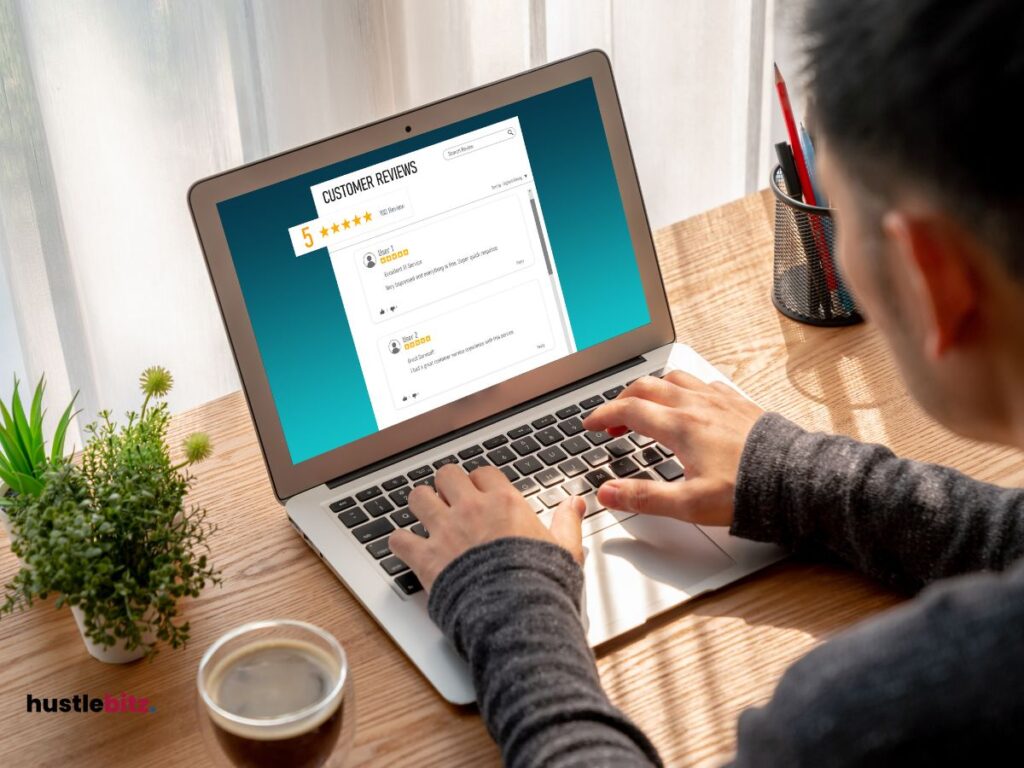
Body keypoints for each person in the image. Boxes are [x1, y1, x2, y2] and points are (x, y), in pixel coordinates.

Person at [389, 0, 1024, 764]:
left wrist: (509, 604)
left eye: (840, 211)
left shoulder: (868, 719)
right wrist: (799, 478)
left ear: (930, 281)